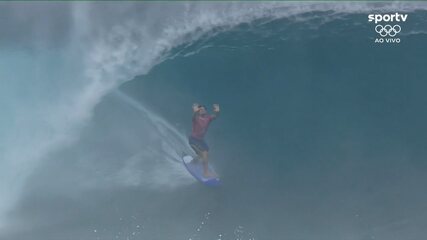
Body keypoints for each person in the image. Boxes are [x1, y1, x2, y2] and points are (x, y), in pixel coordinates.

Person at [189, 103, 220, 178]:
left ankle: (193, 162)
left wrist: (217, 110)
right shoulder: (196, 118)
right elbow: (194, 116)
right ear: (198, 111)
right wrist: (195, 110)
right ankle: (205, 173)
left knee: (203, 154)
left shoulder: (208, 118)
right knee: (204, 153)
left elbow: (215, 116)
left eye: (203, 109)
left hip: (201, 140)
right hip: (193, 139)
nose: (202, 110)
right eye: (200, 109)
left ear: (206, 111)